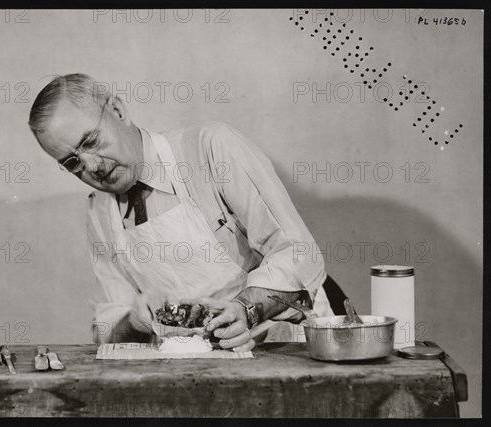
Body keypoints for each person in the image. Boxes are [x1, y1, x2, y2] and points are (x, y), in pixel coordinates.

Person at [28, 73, 346, 352]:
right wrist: (136, 321)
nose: (93, 167)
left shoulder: (210, 148)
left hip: (285, 349)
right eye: (73, 163)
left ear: (117, 110)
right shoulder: (99, 212)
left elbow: (297, 253)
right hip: (196, 368)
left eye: (93, 141)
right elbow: (108, 332)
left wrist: (245, 311)